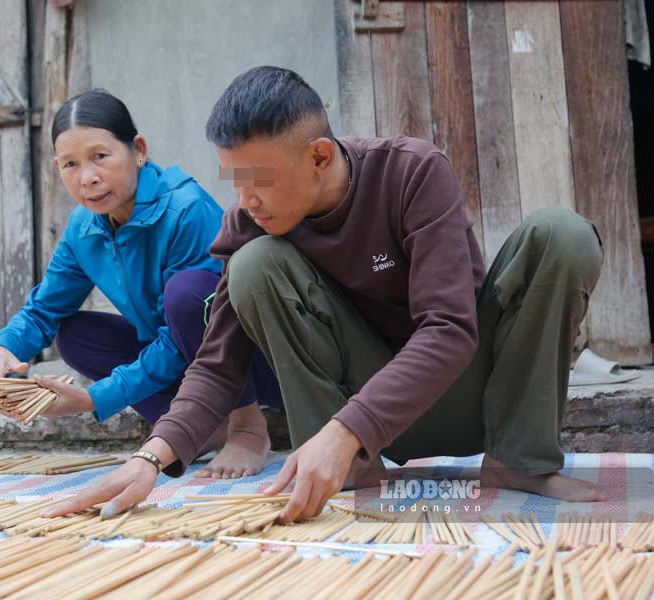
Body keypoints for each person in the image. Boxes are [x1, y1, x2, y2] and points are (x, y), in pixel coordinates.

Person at [43, 66, 607, 523]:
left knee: (563, 234)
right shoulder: (250, 222)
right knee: (255, 265)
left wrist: (346, 430)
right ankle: (349, 473)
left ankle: (520, 462)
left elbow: (450, 328)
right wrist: (152, 459)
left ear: (317, 157)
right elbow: (216, 364)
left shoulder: (411, 172)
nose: (245, 199)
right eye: (233, 179)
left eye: (257, 178)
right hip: (352, 439)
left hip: (469, 394)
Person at [0, 89, 280, 477]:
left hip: (249, 359)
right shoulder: (84, 228)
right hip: (184, 357)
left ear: (138, 150)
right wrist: (3, 348)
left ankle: (247, 427)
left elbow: (187, 333)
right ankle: (201, 427)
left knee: (188, 295)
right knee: (74, 334)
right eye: (69, 165)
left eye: (100, 157)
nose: (87, 178)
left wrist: (93, 398)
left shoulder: (185, 209)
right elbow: (44, 310)